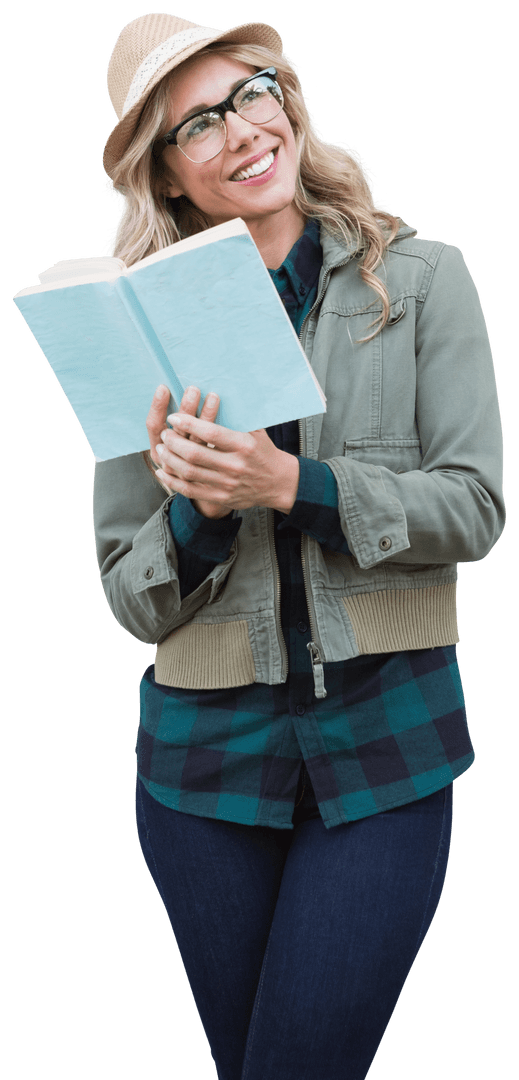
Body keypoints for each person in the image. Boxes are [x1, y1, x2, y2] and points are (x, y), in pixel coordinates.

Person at [93, 11, 505, 1080]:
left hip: (388, 743)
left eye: (251, 93)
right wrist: (200, 510)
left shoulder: (421, 281)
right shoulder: (133, 330)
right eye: (197, 125)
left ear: (286, 100)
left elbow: (475, 508)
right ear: (166, 173)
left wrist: (293, 487)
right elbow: (130, 598)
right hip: (199, 770)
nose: (241, 131)